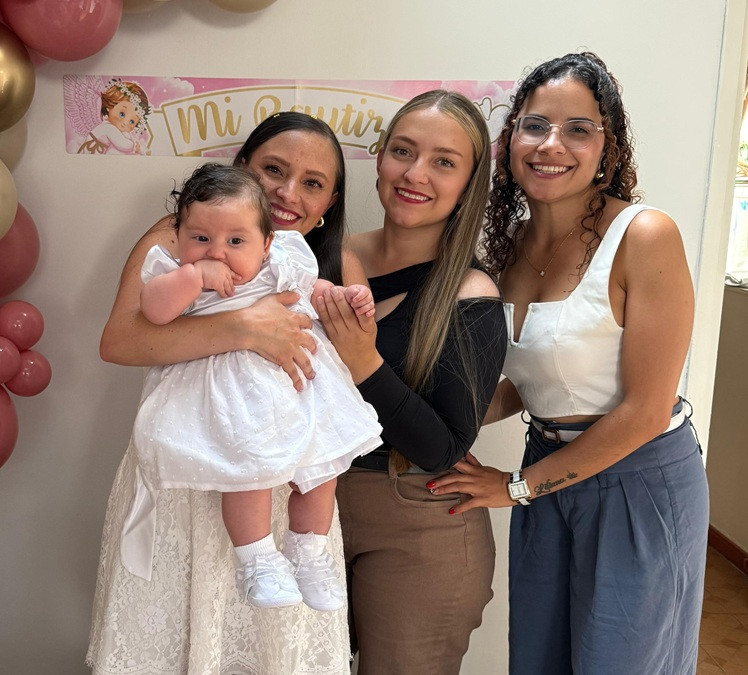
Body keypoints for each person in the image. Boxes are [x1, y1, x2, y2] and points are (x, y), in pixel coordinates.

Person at [429, 52, 709, 675]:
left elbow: (645, 411)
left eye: (578, 129)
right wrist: (429, 418)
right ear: (511, 139)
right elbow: (535, 379)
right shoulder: (509, 247)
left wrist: (515, 487)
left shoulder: (645, 235)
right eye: (535, 125)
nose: (551, 144)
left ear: (608, 150)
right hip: (549, 472)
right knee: (539, 658)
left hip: (638, 481)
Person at [87, 113, 360, 674]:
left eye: (311, 183)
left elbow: (347, 370)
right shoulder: (183, 237)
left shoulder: (318, 259)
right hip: (194, 471)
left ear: (328, 202)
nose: (288, 193)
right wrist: (243, 327)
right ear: (241, 168)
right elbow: (120, 340)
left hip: (290, 485)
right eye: (273, 170)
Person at [129, 162, 381, 613]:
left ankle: (308, 552)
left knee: (322, 472)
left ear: (266, 243)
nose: (217, 252)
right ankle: (257, 558)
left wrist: (343, 297)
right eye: (200, 238)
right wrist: (193, 278)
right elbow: (154, 311)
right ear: (179, 236)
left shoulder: (282, 262)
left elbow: (313, 291)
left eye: (236, 241)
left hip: (300, 395)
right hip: (230, 402)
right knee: (249, 472)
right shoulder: (176, 273)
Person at [315, 90, 506, 675]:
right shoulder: (321, 258)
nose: (415, 173)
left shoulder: (471, 295)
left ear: (469, 184)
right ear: (379, 158)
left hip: (417, 521)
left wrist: (364, 362)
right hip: (307, 509)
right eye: (403, 151)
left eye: (444, 161)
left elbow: (442, 446)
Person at [78, 79, 149, 155]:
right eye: (122, 114)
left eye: (132, 121)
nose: (124, 123)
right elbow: (124, 145)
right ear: (109, 106)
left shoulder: (114, 129)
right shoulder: (108, 128)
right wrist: (135, 146)